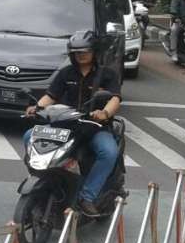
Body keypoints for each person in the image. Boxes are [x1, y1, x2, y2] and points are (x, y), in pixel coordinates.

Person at [24, 30, 122, 217]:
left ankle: (87, 196)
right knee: (30, 136)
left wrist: (104, 113)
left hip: (94, 128)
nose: (81, 55)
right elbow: (50, 96)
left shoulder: (107, 74)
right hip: (66, 126)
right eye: (77, 52)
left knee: (109, 152)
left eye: (85, 51)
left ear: (95, 52)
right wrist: (36, 107)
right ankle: (38, 176)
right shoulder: (66, 73)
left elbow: (115, 98)